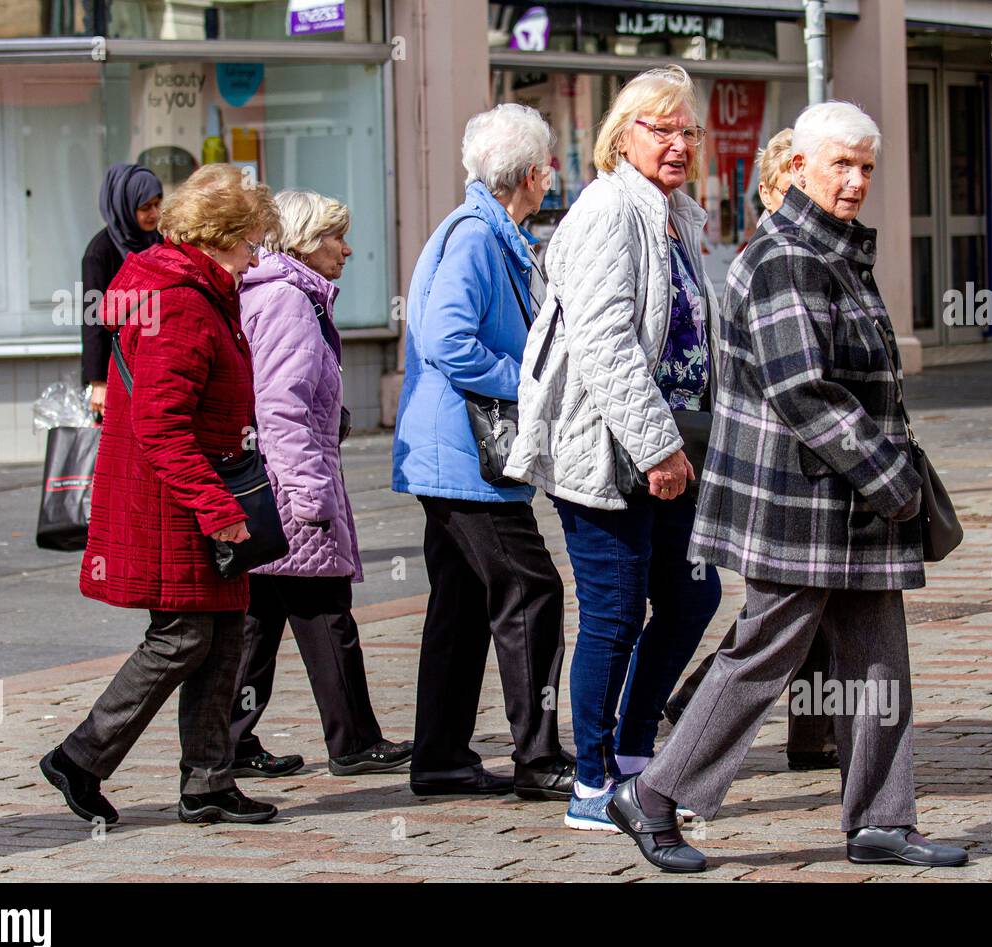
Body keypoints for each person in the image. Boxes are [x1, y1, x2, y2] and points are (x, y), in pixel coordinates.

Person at [606, 102, 968, 873]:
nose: (856, 180)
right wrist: (896, 479)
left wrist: (885, 484)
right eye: (841, 164)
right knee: (763, 653)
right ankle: (653, 794)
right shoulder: (789, 256)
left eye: (866, 167)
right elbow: (805, 389)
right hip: (803, 502)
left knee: (877, 664)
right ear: (798, 166)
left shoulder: (829, 249)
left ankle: (881, 819)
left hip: (846, 501)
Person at [504, 65, 722, 832]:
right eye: (659, 129)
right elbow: (604, 346)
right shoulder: (606, 211)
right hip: (608, 452)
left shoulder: (674, 215)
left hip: (675, 449)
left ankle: (633, 755)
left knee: (694, 595)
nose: (676, 143)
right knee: (614, 612)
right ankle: (591, 782)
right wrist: (658, 446)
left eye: (686, 130)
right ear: (619, 137)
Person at [39, 164, 283, 827]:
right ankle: (81, 756)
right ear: (218, 236)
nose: (257, 254)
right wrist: (216, 507)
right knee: (180, 638)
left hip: (197, 488)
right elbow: (161, 424)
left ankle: (209, 781)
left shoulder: (199, 288)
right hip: (173, 499)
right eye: (251, 240)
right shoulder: (177, 301)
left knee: (225, 635)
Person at [393, 104, 574, 800]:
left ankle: (440, 758)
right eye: (548, 165)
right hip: (462, 458)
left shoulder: (484, 231)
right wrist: (526, 386)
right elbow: (447, 341)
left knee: (462, 604)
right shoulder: (474, 236)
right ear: (529, 175)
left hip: (452, 453)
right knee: (532, 590)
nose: (551, 176)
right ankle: (538, 757)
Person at [663, 127, 839, 773]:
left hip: (798, 465)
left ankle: (813, 736)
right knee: (779, 616)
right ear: (774, 188)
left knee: (807, 606)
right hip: (778, 468)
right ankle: (674, 756)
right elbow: (797, 383)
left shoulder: (807, 250)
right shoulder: (775, 258)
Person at [227, 191, 413, 780]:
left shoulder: (279, 294)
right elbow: (281, 407)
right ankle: (353, 740)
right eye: (337, 236)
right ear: (304, 241)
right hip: (289, 486)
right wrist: (310, 494)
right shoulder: (287, 300)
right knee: (325, 609)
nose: (348, 248)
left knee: (261, 618)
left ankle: (227, 741)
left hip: (271, 483)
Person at [81, 163, 163, 420]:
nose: (154, 213)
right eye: (145, 207)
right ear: (125, 206)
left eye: (157, 204)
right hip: (115, 369)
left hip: (154, 362)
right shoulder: (100, 252)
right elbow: (92, 317)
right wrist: (98, 382)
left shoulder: (158, 242)